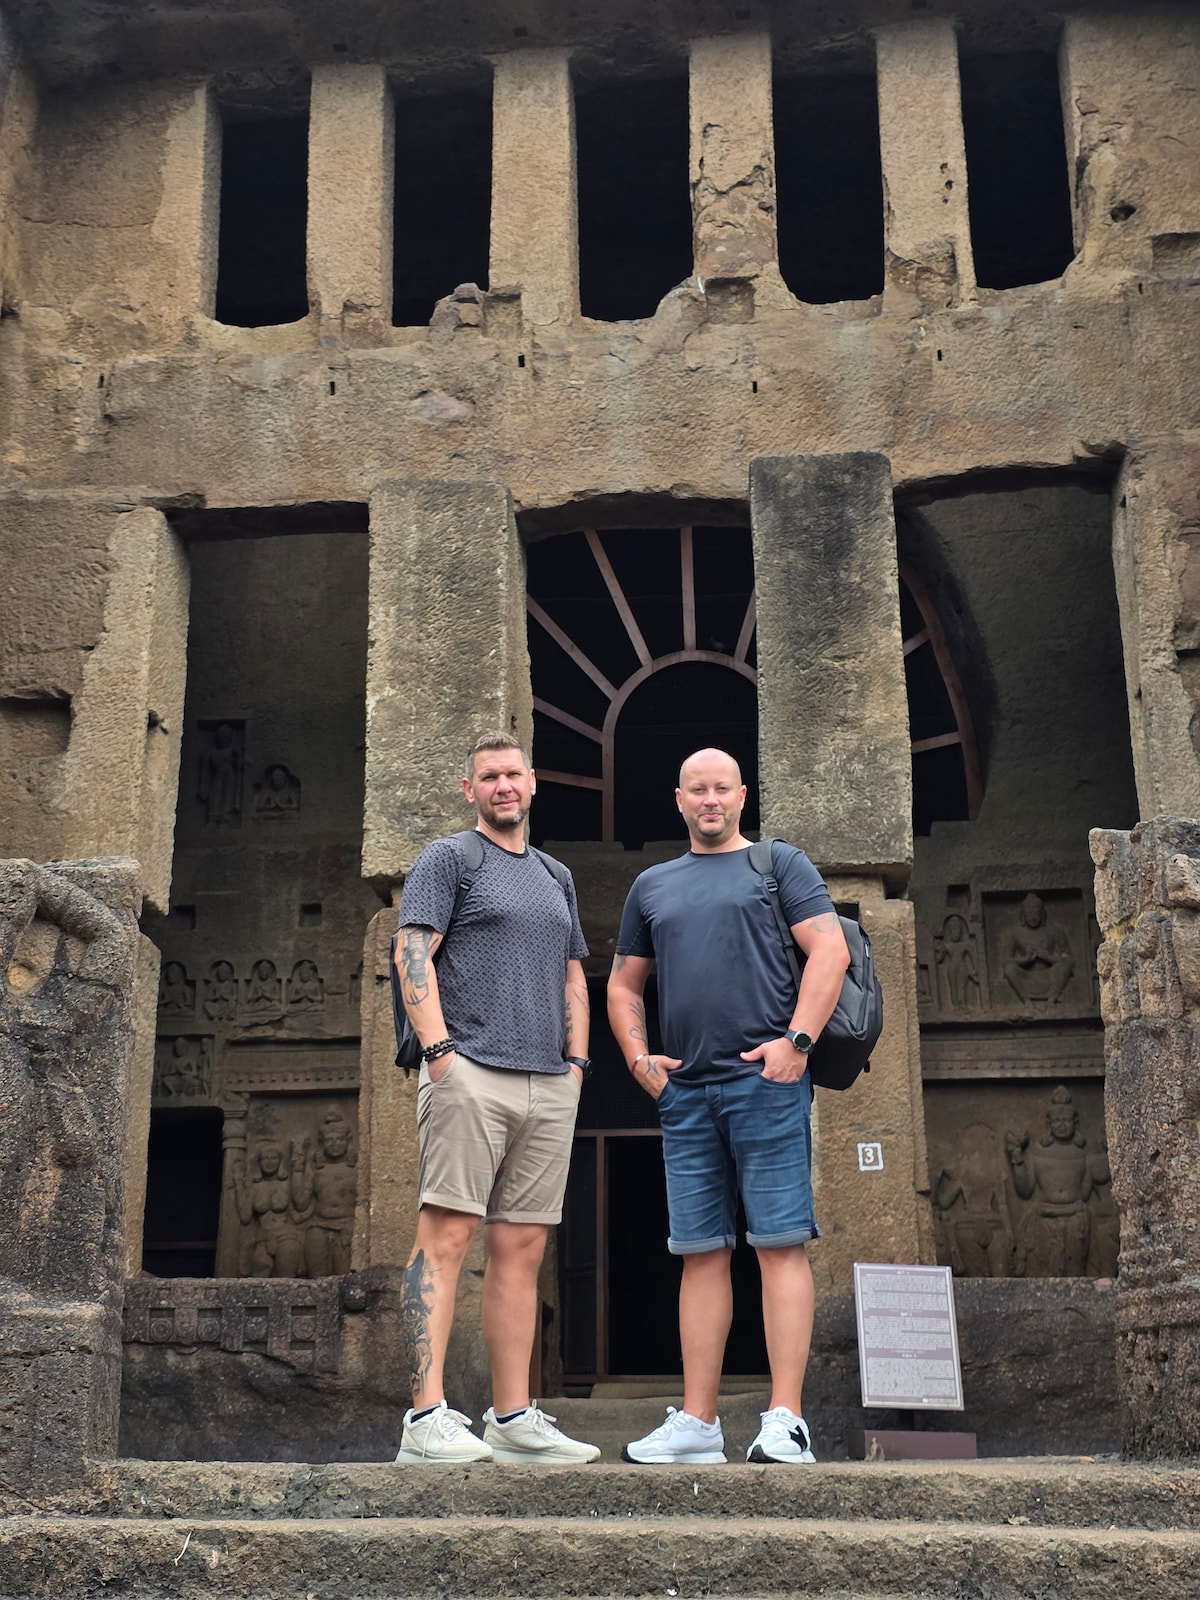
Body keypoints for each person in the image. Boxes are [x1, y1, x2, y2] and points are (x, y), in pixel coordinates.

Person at [607, 748, 849, 1466]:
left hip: (764, 1081)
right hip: (684, 1093)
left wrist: (797, 1042)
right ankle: (700, 1423)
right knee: (699, 1252)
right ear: (677, 800)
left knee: (779, 1244)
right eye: (696, 790)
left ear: (742, 795)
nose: (710, 800)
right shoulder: (652, 885)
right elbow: (623, 986)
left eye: (722, 789)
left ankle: (785, 1419)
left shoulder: (778, 865)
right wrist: (636, 1055)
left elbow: (829, 952)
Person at [392, 731, 600, 1466]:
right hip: (471, 1065)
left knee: (523, 1247)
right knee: (444, 1239)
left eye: (513, 774)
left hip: (549, 1077)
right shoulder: (451, 858)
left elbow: (575, 973)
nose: (503, 786)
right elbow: (412, 949)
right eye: (489, 776)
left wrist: (577, 1062)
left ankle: (511, 1417)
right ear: (469, 788)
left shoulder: (554, 874)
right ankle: (425, 1420)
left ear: (534, 782)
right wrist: (441, 1052)